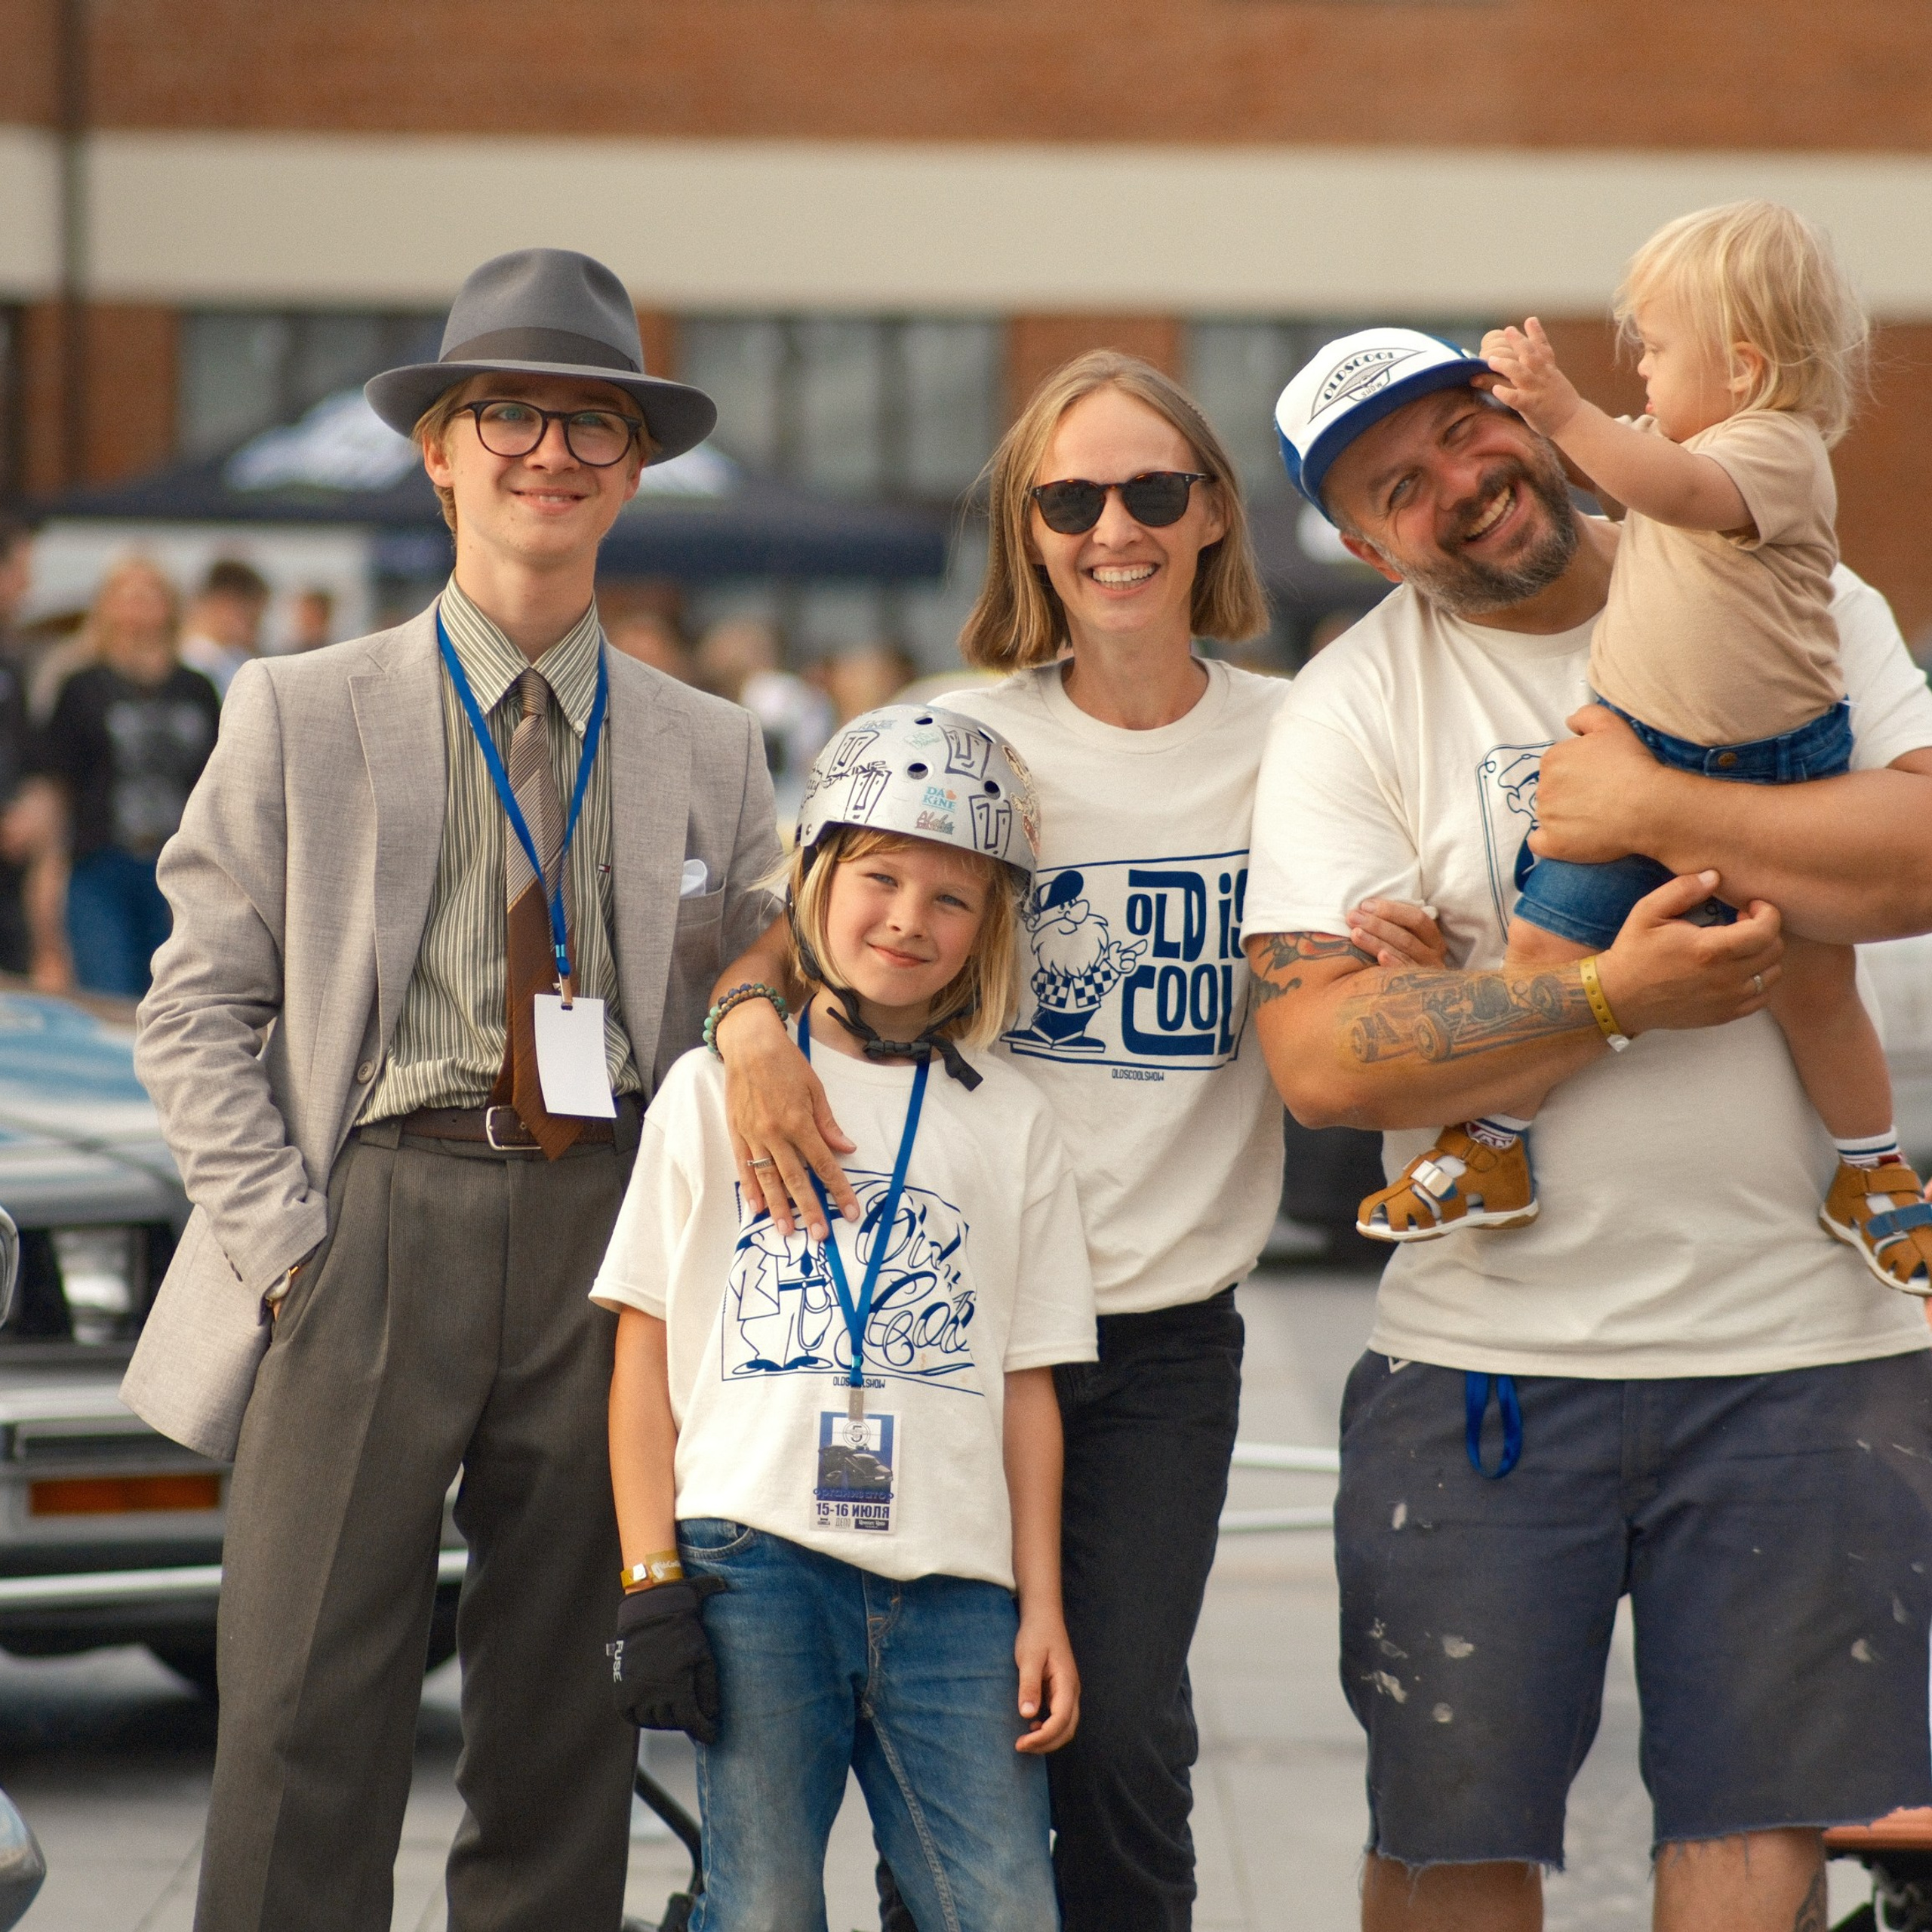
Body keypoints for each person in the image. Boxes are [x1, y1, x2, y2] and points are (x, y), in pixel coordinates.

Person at [120, 248, 776, 1931]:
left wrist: (765, 1011)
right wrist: (285, 1245)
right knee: (295, 1720)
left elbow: (757, 971)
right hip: (364, 1221)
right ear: (439, 446)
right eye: (508, 415)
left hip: (609, 1237)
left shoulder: (709, 742)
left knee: (563, 1724)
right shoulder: (297, 708)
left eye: (589, 423)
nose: (547, 452)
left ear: (634, 464)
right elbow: (193, 1008)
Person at [1252, 324, 1932, 1930]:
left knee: (1754, 1832)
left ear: (1518, 406)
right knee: (1445, 1836)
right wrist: (1603, 999)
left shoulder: (1786, 586)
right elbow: (1323, 1058)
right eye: (1396, 488)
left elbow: (1913, 855)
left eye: (1461, 433)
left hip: (1798, 1349)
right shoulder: (1349, 706)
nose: (1460, 490)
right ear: (1361, 543)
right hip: (1484, 1367)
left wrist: (1651, 815)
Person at [709, 352, 1397, 1930]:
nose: (1114, 529)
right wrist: (745, 1032)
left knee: (1124, 1739)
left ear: (1211, 511)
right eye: (1070, 497)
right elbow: (785, 938)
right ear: (1025, 526)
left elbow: (1385, 943)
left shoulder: (1303, 735)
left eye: (1152, 491)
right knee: (953, 1747)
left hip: (1154, 1337)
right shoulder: (955, 731)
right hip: (940, 1321)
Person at [1360, 202, 1932, 1292]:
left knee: (1816, 989)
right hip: (1647, 750)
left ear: (1747, 365)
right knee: (1544, 955)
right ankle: (1496, 1145)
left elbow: (1660, 490)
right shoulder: (1692, 439)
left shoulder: (1770, 452)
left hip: (1772, 766)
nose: (1645, 373)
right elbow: (1629, 480)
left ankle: (1875, 1168)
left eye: (1659, 350)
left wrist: (1563, 409)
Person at [595, 703, 1095, 1930]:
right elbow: (643, 1346)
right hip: (752, 1562)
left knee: (1006, 1908)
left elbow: (1029, 1386)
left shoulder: (1016, 1122)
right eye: (880, 879)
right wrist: (651, 1575)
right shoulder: (709, 1093)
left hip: (958, 1586)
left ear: (990, 932)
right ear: (814, 881)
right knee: (764, 1907)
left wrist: (1043, 1607)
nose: (909, 921)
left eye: (953, 899)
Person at [38, 558, 219, 998]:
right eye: (126, 596)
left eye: (149, 595)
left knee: (176, 997)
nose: (138, 609)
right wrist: (46, 887)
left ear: (170, 606)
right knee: (109, 994)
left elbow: (218, 786)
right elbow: (55, 792)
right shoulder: (80, 687)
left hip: (180, 868)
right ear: (107, 608)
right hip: (102, 861)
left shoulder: (197, 688)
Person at [0, 515, 68, 987]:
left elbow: (28, 759)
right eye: (19, 570)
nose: (27, 586)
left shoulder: (13, 661)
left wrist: (32, 805)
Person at [178, 558, 271, 697]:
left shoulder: (235, 658)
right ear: (226, 604)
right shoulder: (193, 664)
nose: (258, 631)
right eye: (253, 620)